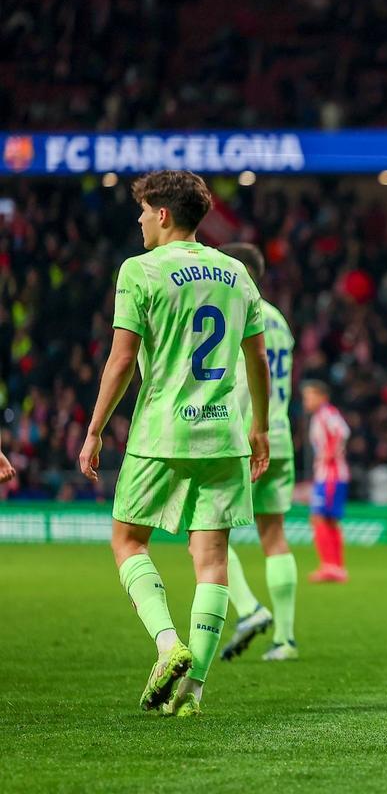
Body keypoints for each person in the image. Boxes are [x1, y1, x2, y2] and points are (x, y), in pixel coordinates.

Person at [79, 170, 270, 717]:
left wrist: (94, 430)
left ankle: (167, 644)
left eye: (143, 210)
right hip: (224, 433)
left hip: (161, 432)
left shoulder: (139, 270)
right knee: (211, 563)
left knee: (127, 541)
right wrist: (257, 427)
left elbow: (120, 360)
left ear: (163, 214)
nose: (139, 220)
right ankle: (193, 694)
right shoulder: (236, 272)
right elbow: (255, 359)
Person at [216, 242, 301, 662]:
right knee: (274, 536)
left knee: (206, 533)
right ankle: (285, 640)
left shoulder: (238, 314)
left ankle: (248, 607)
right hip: (280, 433)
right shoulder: (279, 320)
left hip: (246, 437)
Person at [303, 379, 351, 582]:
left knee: (319, 518)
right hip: (330, 474)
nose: (307, 400)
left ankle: (330, 566)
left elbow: (343, 432)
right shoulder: (320, 416)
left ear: (322, 397)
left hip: (330, 475)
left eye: (310, 396)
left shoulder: (326, 413)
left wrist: (330, 454)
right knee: (329, 520)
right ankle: (336, 567)